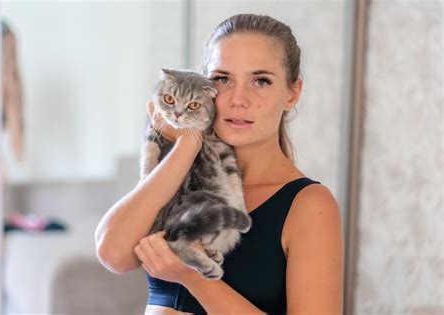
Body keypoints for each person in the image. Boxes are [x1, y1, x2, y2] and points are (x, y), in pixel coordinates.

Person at [95, 13, 343, 315]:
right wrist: (189, 143)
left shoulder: (309, 205)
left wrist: (194, 276)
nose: (239, 99)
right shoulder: (180, 171)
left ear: (293, 93)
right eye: (222, 79)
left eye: (261, 81)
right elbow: (113, 253)